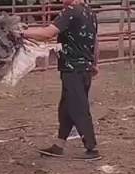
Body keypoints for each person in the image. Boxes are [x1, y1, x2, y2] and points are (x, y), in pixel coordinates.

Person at [23, 0, 101, 161]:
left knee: (78, 108)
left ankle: (92, 148)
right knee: (66, 108)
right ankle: (59, 145)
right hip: (82, 67)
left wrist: (20, 33)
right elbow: (95, 41)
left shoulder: (70, 11)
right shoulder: (89, 12)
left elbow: (47, 33)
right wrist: (94, 63)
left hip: (73, 68)